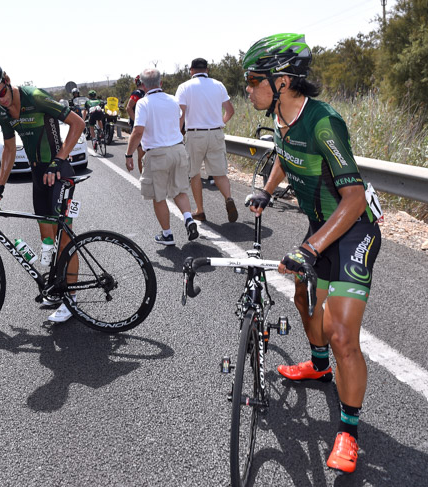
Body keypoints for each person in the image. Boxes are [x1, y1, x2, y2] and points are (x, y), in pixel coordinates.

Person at [243, 33, 382, 474]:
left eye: (253, 80)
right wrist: (266, 190)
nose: (247, 88)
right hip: (320, 228)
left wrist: (310, 246)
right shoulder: (282, 117)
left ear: (282, 81)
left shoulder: (324, 121)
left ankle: (348, 430)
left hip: (352, 228)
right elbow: (284, 154)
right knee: (306, 304)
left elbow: (354, 199)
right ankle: (319, 368)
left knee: (342, 334)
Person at [0, 61, 85, 323]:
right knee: (48, 241)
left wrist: (59, 160)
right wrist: (0, 185)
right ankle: (58, 290)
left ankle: (72, 299)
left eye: (1, 93)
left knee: (65, 239)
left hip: (58, 171)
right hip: (38, 175)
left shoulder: (35, 97)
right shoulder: (3, 114)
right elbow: (10, 151)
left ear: (8, 80)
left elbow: (77, 124)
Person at [124, 68, 199, 245]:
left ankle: (167, 234)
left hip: (157, 153)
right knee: (179, 190)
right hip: (178, 150)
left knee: (159, 196)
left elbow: (138, 131)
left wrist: (128, 154)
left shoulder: (143, 103)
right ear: (161, 83)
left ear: (142, 85)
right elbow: (180, 121)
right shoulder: (174, 100)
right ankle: (188, 219)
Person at [175, 57, 237, 223]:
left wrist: (177, 135)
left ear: (191, 71)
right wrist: (218, 123)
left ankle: (200, 210)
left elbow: (180, 115)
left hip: (195, 135)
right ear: (207, 70)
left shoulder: (184, 87)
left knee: (194, 173)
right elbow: (230, 110)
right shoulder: (218, 85)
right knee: (219, 172)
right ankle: (228, 198)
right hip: (216, 133)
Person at [125, 75, 146, 173]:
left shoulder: (147, 93)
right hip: (138, 126)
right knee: (141, 153)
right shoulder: (137, 93)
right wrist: (137, 121)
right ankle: (143, 176)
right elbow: (129, 108)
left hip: (147, 127)